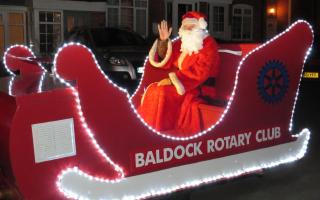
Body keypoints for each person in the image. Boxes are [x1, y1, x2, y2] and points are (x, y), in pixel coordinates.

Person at [138, 11, 220, 136]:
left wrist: (172, 81)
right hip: (183, 84)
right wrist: (163, 41)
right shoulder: (184, 44)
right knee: (154, 88)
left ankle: (160, 130)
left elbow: (200, 72)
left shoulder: (208, 45)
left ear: (199, 27)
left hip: (199, 87)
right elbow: (167, 59)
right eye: (185, 27)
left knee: (163, 92)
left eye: (191, 27)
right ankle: (147, 127)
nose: (187, 30)